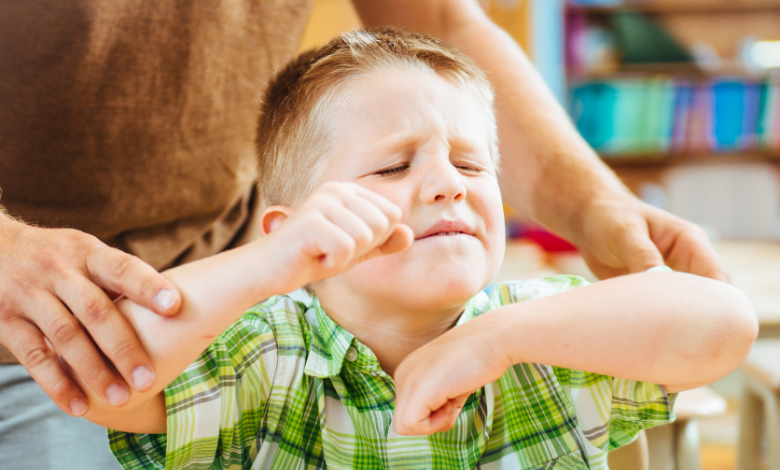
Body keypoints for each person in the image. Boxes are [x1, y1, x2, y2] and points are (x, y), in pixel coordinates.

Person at [0, 1, 728, 467]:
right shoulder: (263, 353)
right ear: (295, 237)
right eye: (393, 166)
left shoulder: (538, 334)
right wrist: (265, 267)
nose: (449, 182)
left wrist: (491, 341)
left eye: (472, 162)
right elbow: (111, 381)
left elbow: (718, 324)